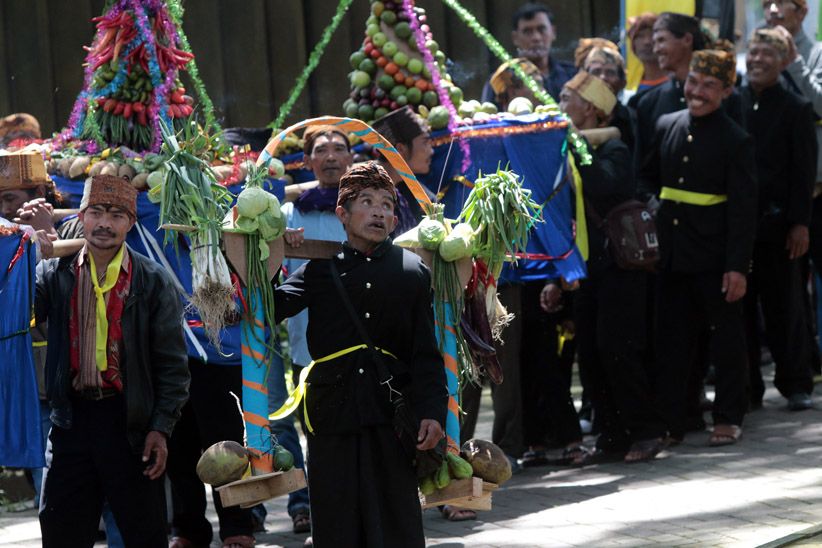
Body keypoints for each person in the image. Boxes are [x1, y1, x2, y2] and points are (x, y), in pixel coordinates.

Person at [273, 162, 447, 547]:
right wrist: (271, 253)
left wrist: (434, 413)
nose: (378, 212)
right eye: (366, 202)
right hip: (331, 413)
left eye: (387, 205)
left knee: (396, 520)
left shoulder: (413, 271)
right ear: (342, 214)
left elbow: (425, 352)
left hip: (392, 414)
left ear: (395, 219)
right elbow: (270, 308)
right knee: (337, 520)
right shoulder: (320, 269)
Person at [35, 174, 190, 547]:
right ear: (82, 217)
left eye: (117, 215)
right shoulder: (54, 273)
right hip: (70, 421)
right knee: (60, 531)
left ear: (131, 223)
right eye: (97, 212)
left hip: (129, 423)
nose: (105, 223)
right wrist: (25, 251)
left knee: (145, 534)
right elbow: (19, 312)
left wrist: (160, 428)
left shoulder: (152, 281)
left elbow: (173, 366)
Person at [639, 50, 757, 446]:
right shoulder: (666, 124)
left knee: (726, 341)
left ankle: (728, 416)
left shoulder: (736, 139)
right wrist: (654, 206)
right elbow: (646, 179)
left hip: (715, 258)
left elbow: (743, 210)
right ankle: (675, 420)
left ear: (726, 90)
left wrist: (737, 267)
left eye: (709, 85)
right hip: (670, 255)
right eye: (693, 82)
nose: (698, 92)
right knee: (672, 340)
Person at [554, 72, 666, 463]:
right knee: (590, 352)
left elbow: (604, 186)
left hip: (619, 264)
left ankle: (647, 430)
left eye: (567, 97)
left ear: (590, 108)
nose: (560, 104)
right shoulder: (569, 147)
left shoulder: (614, 147)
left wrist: (577, 146)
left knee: (618, 348)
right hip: (587, 267)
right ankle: (611, 437)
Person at [276, 125, 354, 534]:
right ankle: (309, 508)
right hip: (308, 351)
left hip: (363, 350)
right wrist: (279, 243)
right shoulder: (290, 215)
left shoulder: (367, 210)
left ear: (351, 159)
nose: (331, 156)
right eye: (321, 150)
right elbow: (270, 276)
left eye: (339, 148)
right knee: (316, 438)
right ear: (306, 162)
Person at [740, 28, 817, 410]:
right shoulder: (732, 101)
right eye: (753, 52)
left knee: (784, 307)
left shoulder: (796, 107)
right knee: (740, 310)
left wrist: (800, 223)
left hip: (780, 225)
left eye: (767, 54)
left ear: (784, 60)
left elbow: (804, 171)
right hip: (738, 226)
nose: (758, 60)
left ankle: (796, 383)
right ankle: (747, 387)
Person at [481, 2, 575, 105]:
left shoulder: (572, 75)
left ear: (553, 32)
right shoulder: (501, 80)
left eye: (541, 29)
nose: (536, 38)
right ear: (515, 38)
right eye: (527, 32)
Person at [371, 106, 435, 236]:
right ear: (400, 149)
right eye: (425, 143)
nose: (431, 151)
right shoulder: (360, 186)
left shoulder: (422, 199)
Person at [578, 40, 637, 154]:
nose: (602, 78)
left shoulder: (631, 120)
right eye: (596, 72)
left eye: (610, 73)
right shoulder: (574, 114)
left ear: (622, 82)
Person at [627, 13, 667, 94]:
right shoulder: (629, 87)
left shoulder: (679, 83)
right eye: (640, 36)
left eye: (652, 35)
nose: (647, 42)